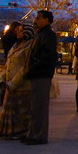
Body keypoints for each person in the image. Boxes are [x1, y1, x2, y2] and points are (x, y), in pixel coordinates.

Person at [23, 9, 58, 145]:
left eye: (38, 18)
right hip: (37, 74)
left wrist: (34, 67)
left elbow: (48, 56)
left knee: (40, 107)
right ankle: (32, 133)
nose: (35, 21)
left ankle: (39, 136)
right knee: (35, 107)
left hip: (41, 75)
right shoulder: (40, 34)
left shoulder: (48, 35)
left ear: (47, 20)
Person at [0, 24, 33, 139]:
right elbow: (8, 64)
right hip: (10, 83)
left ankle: (20, 131)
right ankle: (9, 130)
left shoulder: (29, 48)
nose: (18, 33)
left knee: (21, 111)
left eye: (21, 31)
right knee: (11, 109)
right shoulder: (15, 46)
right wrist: (2, 79)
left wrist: (13, 83)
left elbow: (25, 68)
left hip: (22, 85)